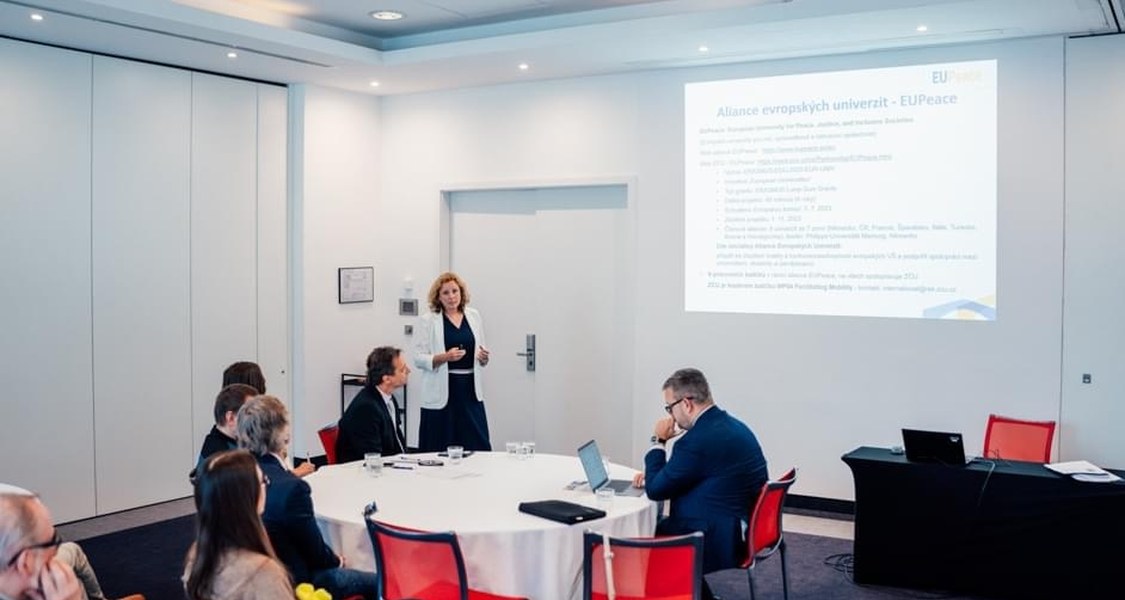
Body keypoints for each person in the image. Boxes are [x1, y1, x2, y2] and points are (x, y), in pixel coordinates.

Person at [633, 368, 768, 600]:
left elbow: (656, 490)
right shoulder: (733, 426)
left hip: (721, 536)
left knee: (637, 535)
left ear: (686, 403)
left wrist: (658, 441)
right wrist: (661, 474)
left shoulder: (695, 442)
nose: (670, 416)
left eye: (669, 407)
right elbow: (696, 472)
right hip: (745, 525)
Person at [237, 396, 377, 600]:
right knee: (378, 580)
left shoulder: (236, 474)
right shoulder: (293, 489)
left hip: (252, 576)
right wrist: (337, 561)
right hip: (300, 581)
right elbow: (316, 552)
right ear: (283, 434)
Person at [183, 449, 293, 600]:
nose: (266, 486)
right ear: (248, 496)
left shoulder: (197, 553)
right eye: (263, 481)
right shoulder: (263, 572)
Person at [412, 272, 492, 452]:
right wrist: (444, 357)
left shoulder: (474, 316)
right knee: (440, 442)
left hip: (470, 390)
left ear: (462, 293)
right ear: (438, 297)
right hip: (442, 389)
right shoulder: (428, 320)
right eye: (446, 293)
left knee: (477, 441)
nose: (451, 297)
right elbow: (418, 358)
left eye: (455, 291)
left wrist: (483, 358)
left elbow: (481, 352)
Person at [336, 346, 410, 463]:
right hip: (362, 472)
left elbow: (397, 440)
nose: (408, 371)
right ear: (386, 379)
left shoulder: (388, 398)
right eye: (402, 370)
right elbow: (372, 456)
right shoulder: (366, 408)